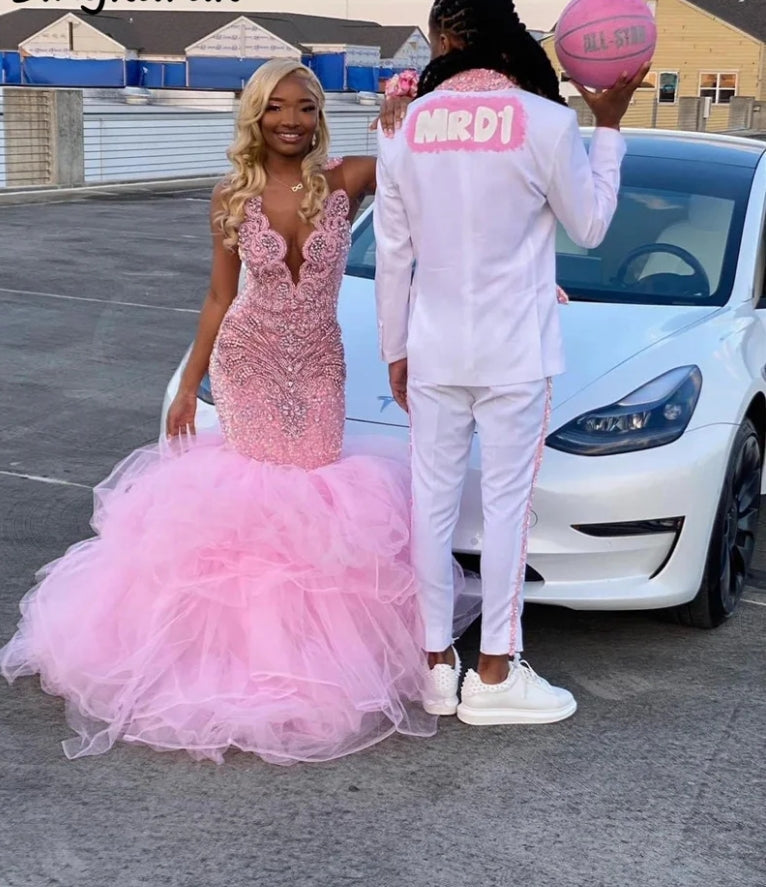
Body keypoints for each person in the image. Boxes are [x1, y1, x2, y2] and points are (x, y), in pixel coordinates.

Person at [0, 59, 475, 765]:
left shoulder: (348, 178)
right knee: (253, 510)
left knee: (313, 507)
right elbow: (221, 297)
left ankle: (306, 661)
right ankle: (237, 662)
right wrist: (189, 383)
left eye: (305, 107)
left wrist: (407, 116)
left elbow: (439, 172)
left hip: (319, 366)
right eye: (276, 107)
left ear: (320, 116)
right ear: (255, 114)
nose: (291, 120)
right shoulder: (232, 194)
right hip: (247, 362)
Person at [374, 0, 649, 725]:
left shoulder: (406, 127)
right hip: (515, 352)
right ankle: (495, 671)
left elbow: (395, 254)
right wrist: (609, 127)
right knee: (505, 509)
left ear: (444, 39)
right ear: (507, 39)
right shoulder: (547, 122)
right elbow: (591, 225)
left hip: (434, 348)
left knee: (431, 505)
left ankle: (435, 666)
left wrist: (395, 349)